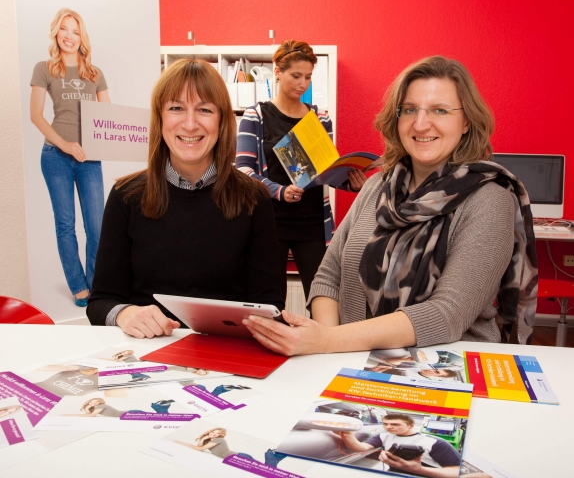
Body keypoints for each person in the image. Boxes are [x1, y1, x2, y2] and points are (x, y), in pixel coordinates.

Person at [242, 56, 538, 355]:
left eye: (440, 110)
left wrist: (329, 341)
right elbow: (329, 274)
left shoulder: (491, 200)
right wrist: (328, 350)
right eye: (409, 110)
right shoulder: (376, 187)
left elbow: (448, 314)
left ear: (466, 122)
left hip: (445, 372)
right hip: (351, 364)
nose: (421, 124)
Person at [86, 58, 284, 338]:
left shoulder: (254, 199)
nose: (190, 124)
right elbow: (100, 303)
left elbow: (270, 305)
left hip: (225, 356)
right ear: (160, 117)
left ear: (223, 121)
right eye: (176, 108)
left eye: (204, 109)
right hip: (145, 357)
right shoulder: (125, 196)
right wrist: (126, 314)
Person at [236, 40, 367, 302]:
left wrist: (349, 182)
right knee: (269, 298)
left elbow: (326, 169)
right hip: (270, 222)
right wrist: (279, 191)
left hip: (313, 225)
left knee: (324, 297)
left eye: (308, 77)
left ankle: (321, 342)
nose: (302, 84)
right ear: (277, 71)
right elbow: (242, 172)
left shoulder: (320, 119)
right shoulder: (256, 116)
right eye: (296, 75)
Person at [30, 8, 111, 307]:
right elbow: (36, 116)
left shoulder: (94, 73)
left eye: (75, 31)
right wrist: (64, 144)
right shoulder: (45, 69)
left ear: (82, 37)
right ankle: (78, 286)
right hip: (55, 156)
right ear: (56, 33)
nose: (69, 36)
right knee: (65, 223)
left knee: (97, 226)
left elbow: (109, 117)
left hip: (90, 158)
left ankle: (94, 283)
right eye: (64, 29)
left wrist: (118, 143)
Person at [337, 413, 461, 477]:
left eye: (395, 424)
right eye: (385, 424)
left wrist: (419, 470)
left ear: (411, 426)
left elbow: (457, 472)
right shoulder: (383, 436)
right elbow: (361, 449)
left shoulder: (435, 442)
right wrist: (348, 435)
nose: (388, 427)